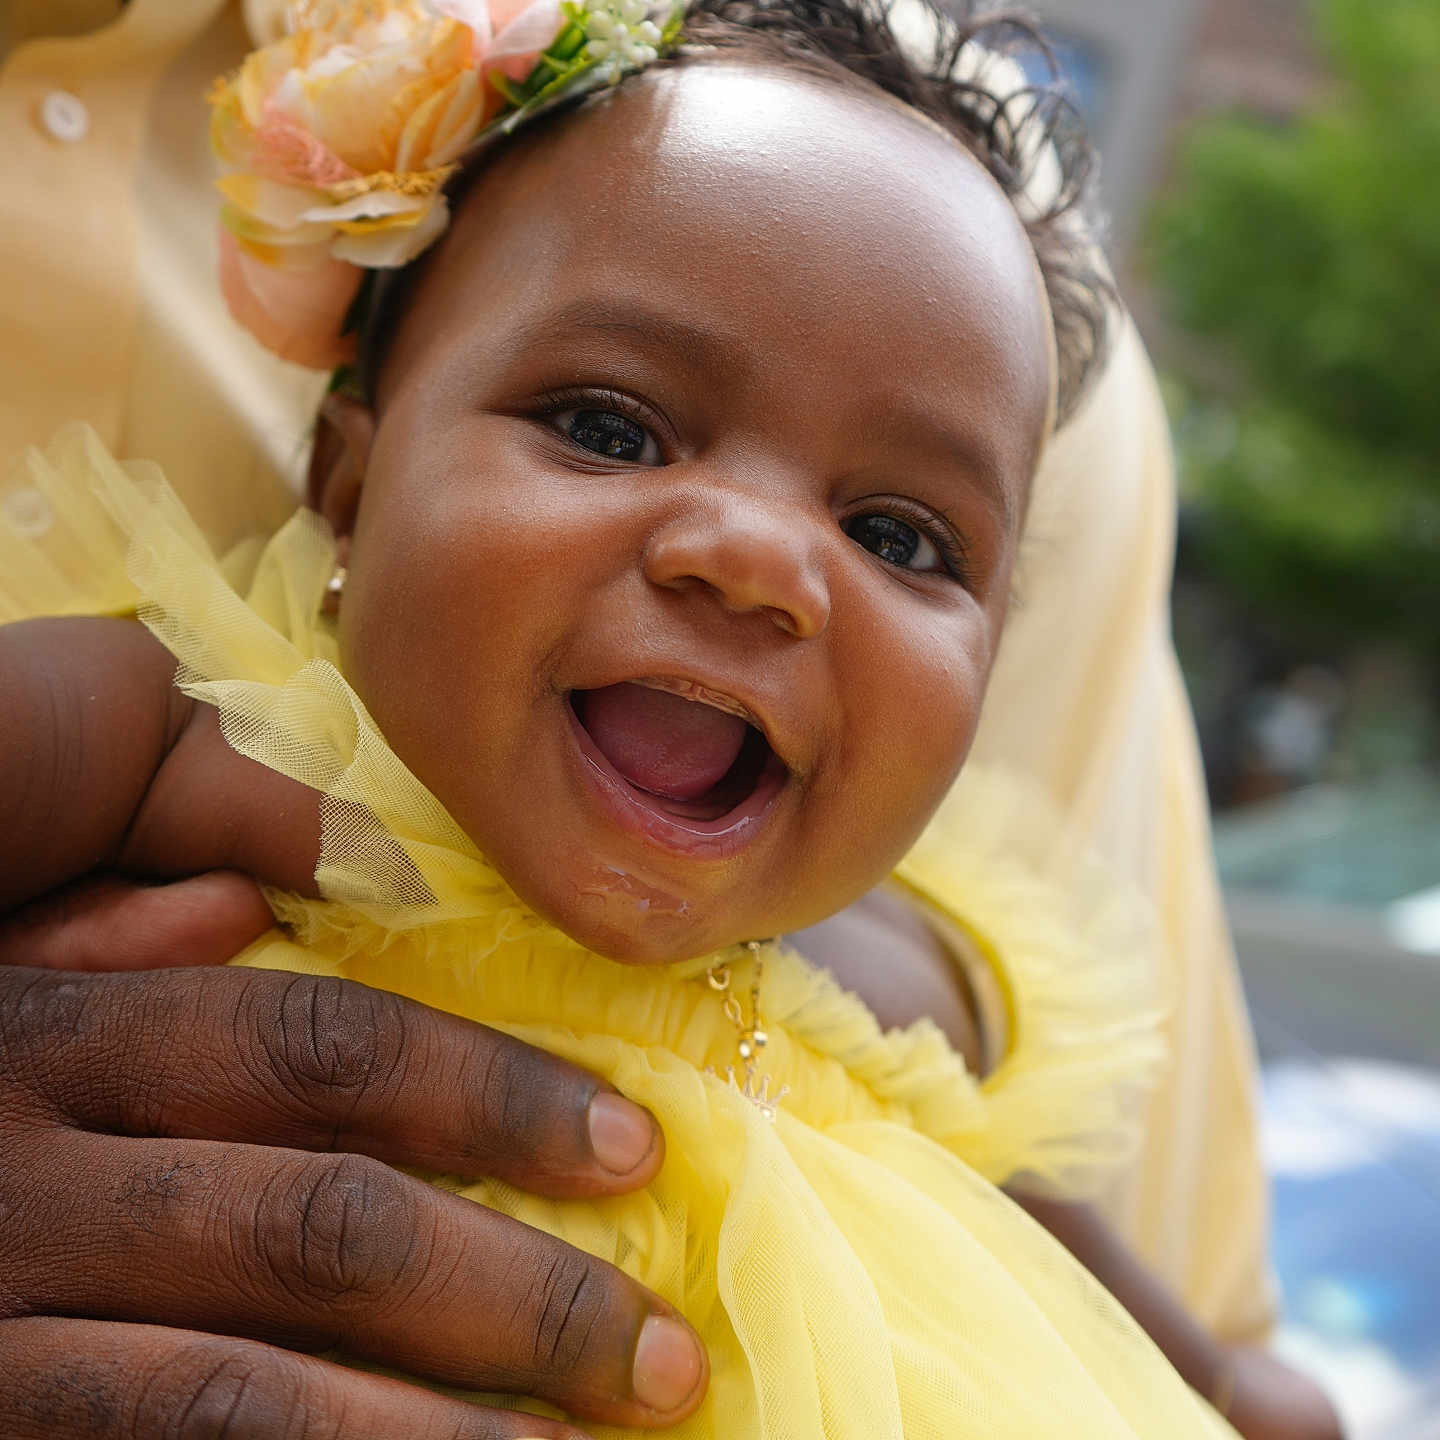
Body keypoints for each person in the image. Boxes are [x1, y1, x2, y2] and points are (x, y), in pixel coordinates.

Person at [0, 1, 1344, 1435]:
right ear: (347, 477)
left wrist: (1217, 1385)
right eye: (607, 428)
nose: (762, 562)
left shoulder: (888, 970)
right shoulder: (205, 731)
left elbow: (1035, 1250)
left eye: (897, 536)